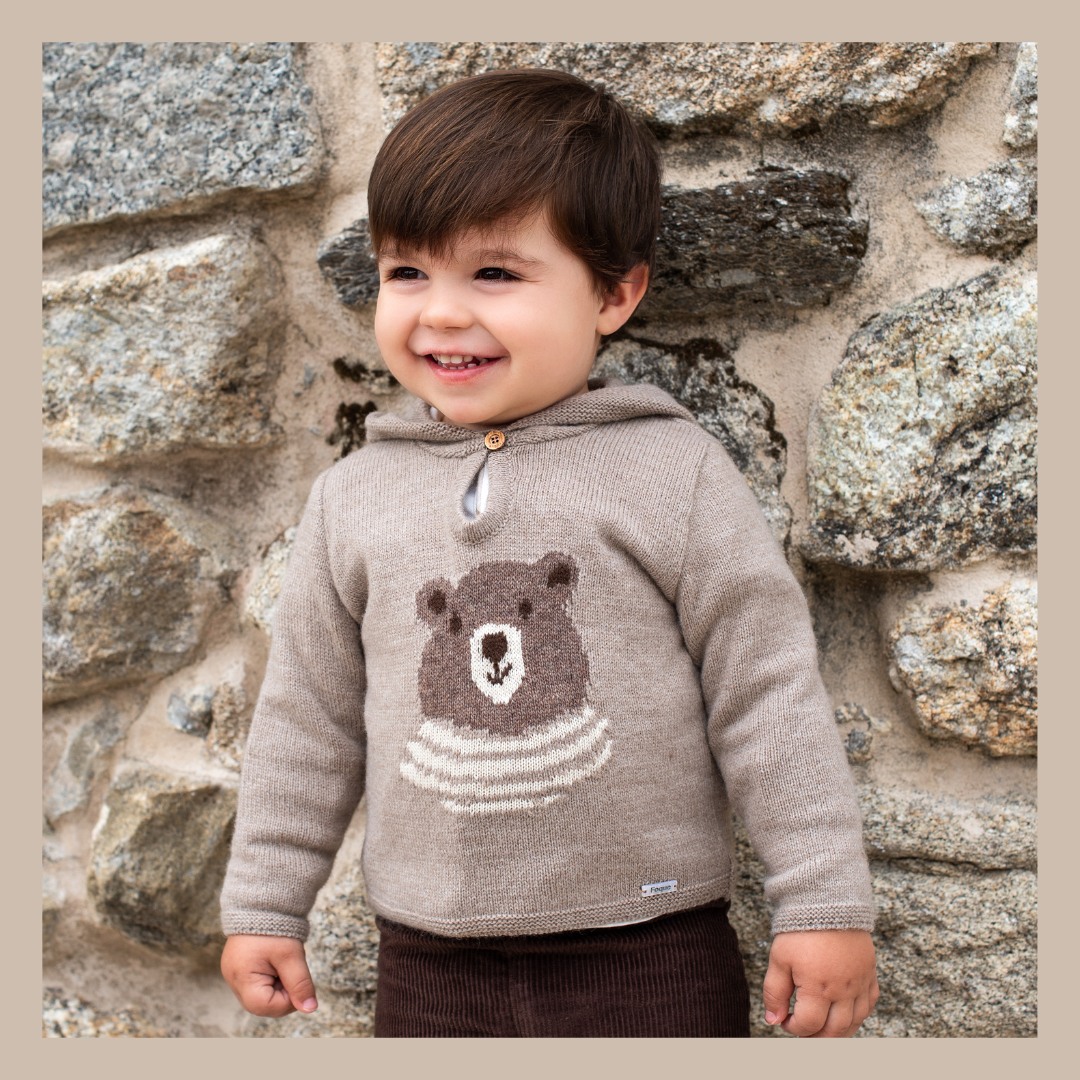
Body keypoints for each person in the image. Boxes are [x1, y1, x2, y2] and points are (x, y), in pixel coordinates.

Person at [219, 68, 879, 1038]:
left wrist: (822, 902)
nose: (441, 312)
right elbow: (306, 720)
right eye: (407, 272)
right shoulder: (352, 498)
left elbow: (766, 691)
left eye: (494, 273)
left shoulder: (670, 472)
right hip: (429, 957)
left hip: (649, 946)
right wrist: (265, 905)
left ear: (613, 293)